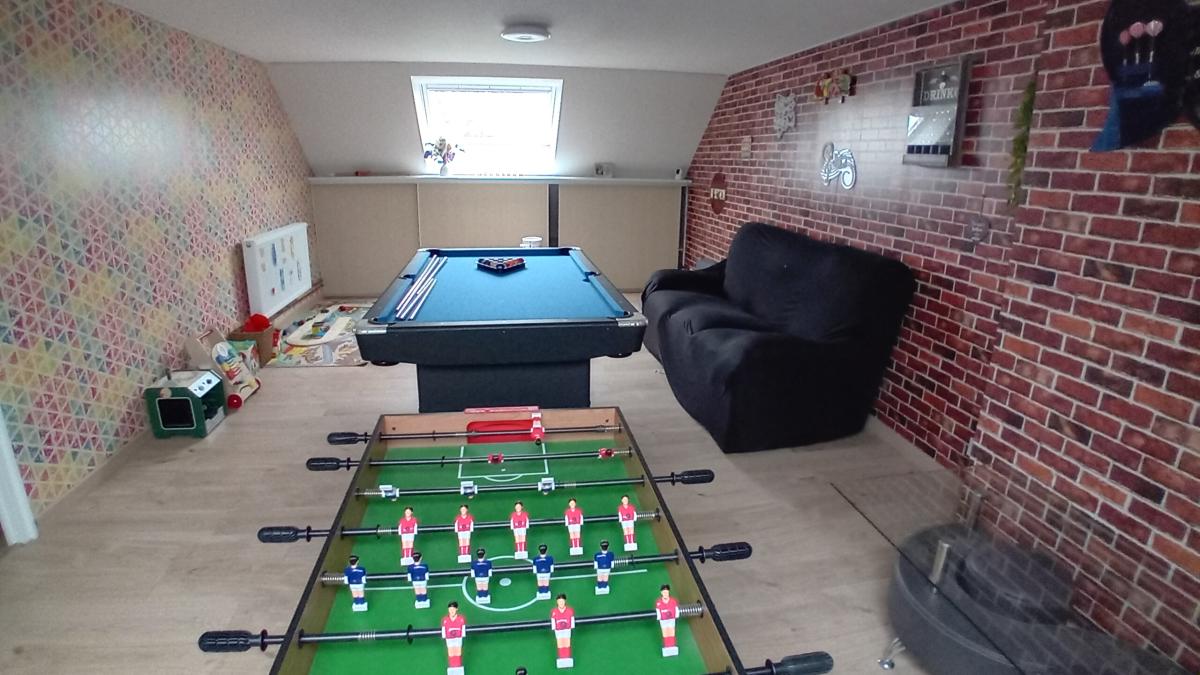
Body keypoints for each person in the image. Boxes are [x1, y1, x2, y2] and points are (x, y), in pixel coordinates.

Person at [550, 593, 576, 668]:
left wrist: (571, 626)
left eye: (562, 601)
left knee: (567, 643)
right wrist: (554, 628)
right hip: (558, 631)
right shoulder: (554, 611)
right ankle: (561, 657)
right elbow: (553, 621)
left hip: (567, 630)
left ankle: (567, 656)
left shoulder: (570, 610)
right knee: (560, 643)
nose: (561, 603)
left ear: (565, 601)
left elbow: (572, 619)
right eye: (559, 601)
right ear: (557, 602)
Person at [441, 601, 467, 675]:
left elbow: (463, 628)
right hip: (449, 639)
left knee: (458, 651)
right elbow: (443, 629)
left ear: (456, 609)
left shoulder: (461, 619)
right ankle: (452, 666)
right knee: (451, 652)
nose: (451, 611)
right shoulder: (444, 620)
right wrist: (444, 636)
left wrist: (462, 635)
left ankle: (458, 665)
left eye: (453, 609)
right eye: (450, 609)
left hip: (458, 638)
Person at [656, 584, 679, 657]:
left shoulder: (673, 601)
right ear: (661, 592)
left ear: (669, 592)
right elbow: (658, 611)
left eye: (667, 592)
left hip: (671, 620)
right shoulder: (658, 602)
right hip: (663, 621)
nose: (665, 593)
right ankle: (667, 646)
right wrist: (659, 616)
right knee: (665, 633)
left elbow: (676, 609)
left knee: (671, 632)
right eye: (664, 592)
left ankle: (672, 646)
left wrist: (676, 615)